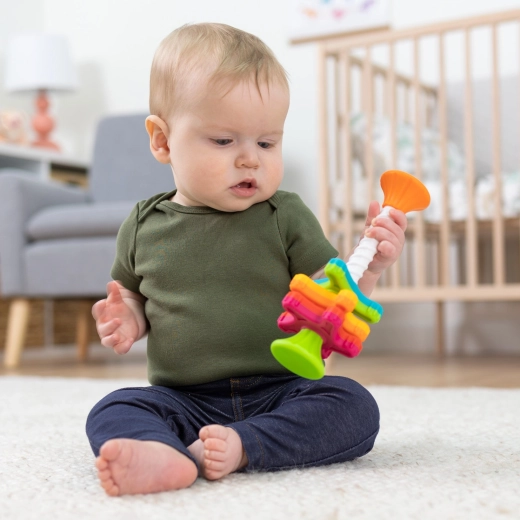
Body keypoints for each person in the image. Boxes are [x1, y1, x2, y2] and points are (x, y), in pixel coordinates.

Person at [86, 23, 407, 497]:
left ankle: (244, 445)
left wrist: (371, 265)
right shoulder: (143, 224)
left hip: (282, 390)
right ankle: (162, 453)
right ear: (162, 140)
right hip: (184, 398)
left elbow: (334, 296)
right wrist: (127, 319)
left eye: (266, 143)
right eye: (223, 141)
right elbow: (134, 297)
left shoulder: (285, 214)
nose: (250, 159)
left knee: (352, 404)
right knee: (114, 408)